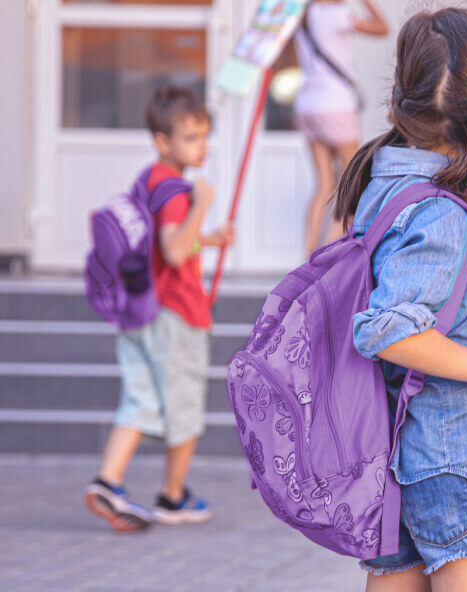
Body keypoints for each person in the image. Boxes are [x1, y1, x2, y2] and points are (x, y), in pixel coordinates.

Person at [329, 8, 467, 591]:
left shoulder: (382, 184)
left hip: (398, 452)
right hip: (455, 462)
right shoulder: (440, 211)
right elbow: (389, 331)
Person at [84, 86, 234, 532]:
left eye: (204, 136)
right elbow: (173, 250)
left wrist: (208, 240)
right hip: (176, 314)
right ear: (162, 142)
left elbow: (164, 244)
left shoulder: (150, 178)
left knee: (140, 399)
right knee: (184, 405)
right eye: (190, 138)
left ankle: (108, 480)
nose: (201, 146)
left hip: (141, 310)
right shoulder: (176, 192)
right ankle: (173, 495)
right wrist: (201, 206)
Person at [296, 0, 389, 255]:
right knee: (353, 183)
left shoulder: (302, 16)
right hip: (336, 104)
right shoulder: (339, 14)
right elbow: (382, 28)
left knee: (324, 184)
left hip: (308, 104)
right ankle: (327, 253)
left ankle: (307, 254)